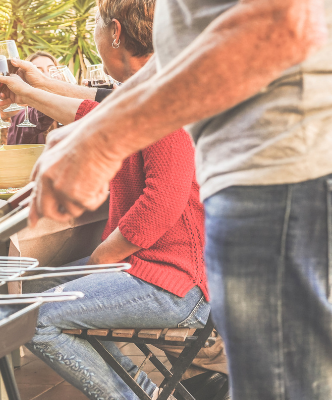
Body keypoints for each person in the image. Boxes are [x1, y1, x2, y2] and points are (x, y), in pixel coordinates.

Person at [25, 0, 332, 398]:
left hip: (279, 180)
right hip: (251, 181)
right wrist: (98, 121)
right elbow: (177, 58)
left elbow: (282, 20)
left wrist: (103, 138)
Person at [0, 0, 228, 398]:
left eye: (97, 29)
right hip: (163, 269)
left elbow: (161, 203)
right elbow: (93, 110)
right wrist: (30, 90)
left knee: (30, 318)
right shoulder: (155, 84)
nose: (96, 39)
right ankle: (145, 392)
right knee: (30, 289)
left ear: (115, 31)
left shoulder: (162, 95)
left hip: (174, 283)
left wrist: (103, 257)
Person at [6, 51, 58, 145]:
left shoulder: (70, 106)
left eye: (52, 70)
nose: (47, 75)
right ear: (25, 78)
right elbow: (36, 119)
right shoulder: (21, 112)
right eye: (38, 71)